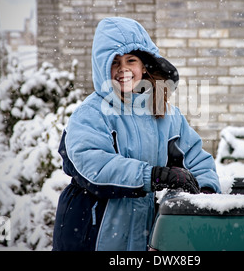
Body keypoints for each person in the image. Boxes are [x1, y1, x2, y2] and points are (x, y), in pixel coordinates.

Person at [52, 17, 221, 251]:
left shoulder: (166, 115)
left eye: (131, 60)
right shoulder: (91, 113)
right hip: (91, 234)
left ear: (145, 66)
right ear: (102, 67)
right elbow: (93, 165)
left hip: (141, 236)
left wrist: (203, 194)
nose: (123, 69)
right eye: (114, 62)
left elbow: (196, 160)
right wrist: (152, 176)